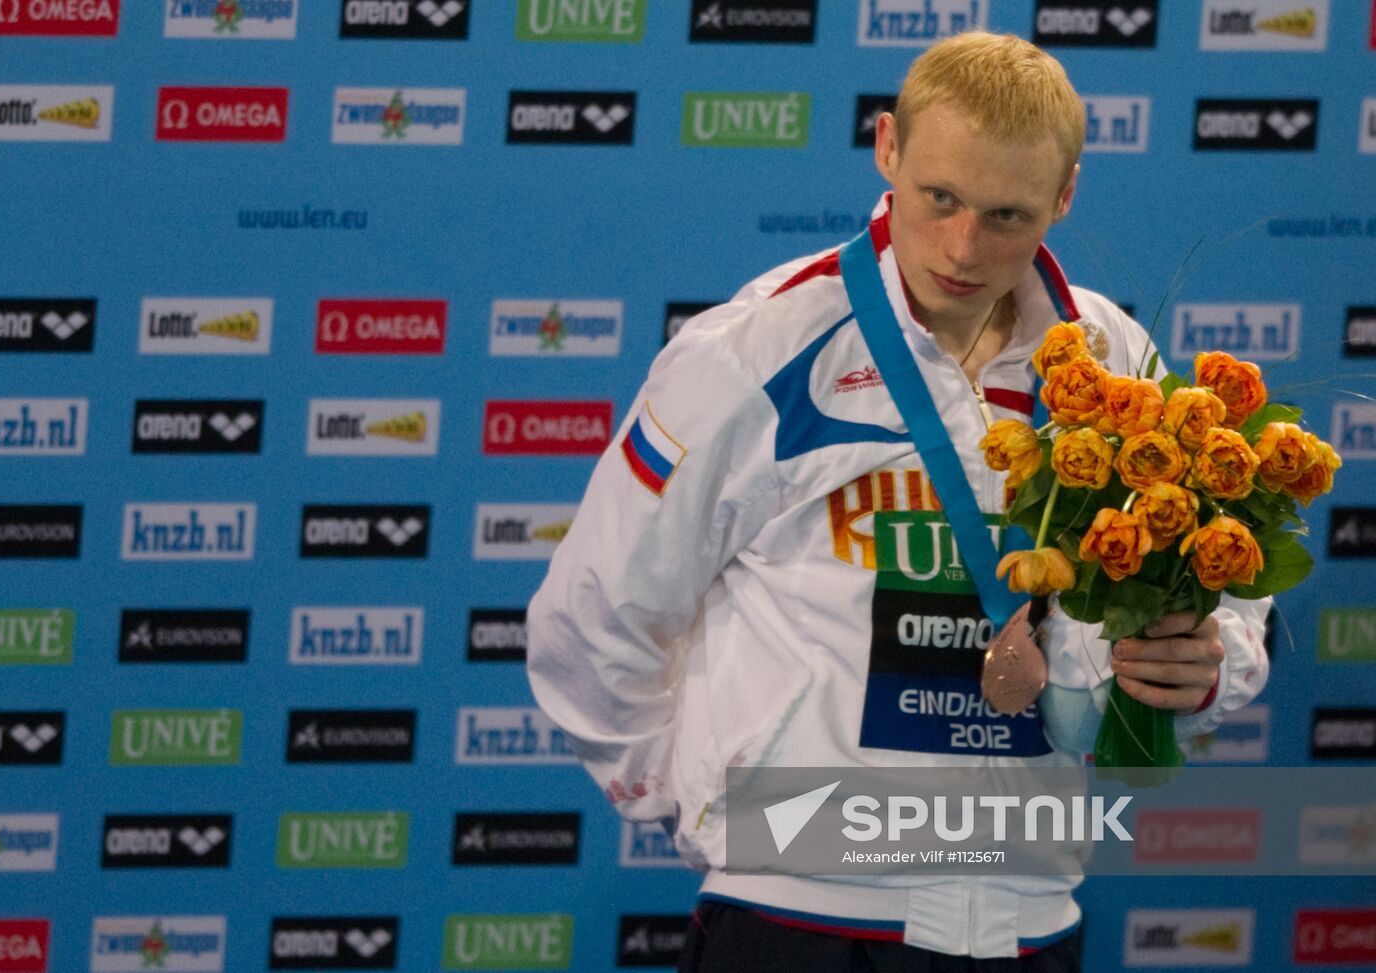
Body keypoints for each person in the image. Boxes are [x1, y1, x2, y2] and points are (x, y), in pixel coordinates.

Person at [527, 30, 1270, 972]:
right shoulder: (757, 350)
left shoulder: (1115, 365)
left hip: (1029, 914)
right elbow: (594, 613)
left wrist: (1201, 672)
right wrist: (698, 808)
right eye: (940, 199)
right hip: (795, 916)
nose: (964, 247)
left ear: (1065, 195)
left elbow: (1233, 599)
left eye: (1007, 215)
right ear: (888, 147)